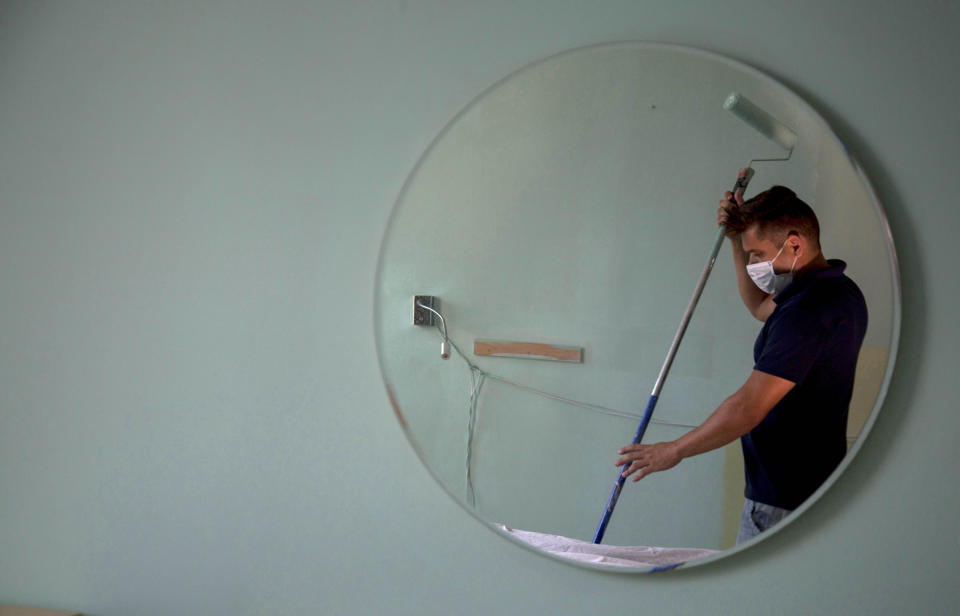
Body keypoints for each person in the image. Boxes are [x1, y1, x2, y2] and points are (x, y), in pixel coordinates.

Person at [615, 181, 868, 543]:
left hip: (782, 499)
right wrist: (736, 242)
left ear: (794, 243)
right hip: (810, 487)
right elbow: (759, 307)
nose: (754, 265)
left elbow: (749, 406)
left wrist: (673, 451)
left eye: (757, 254)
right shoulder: (835, 291)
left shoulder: (808, 311)